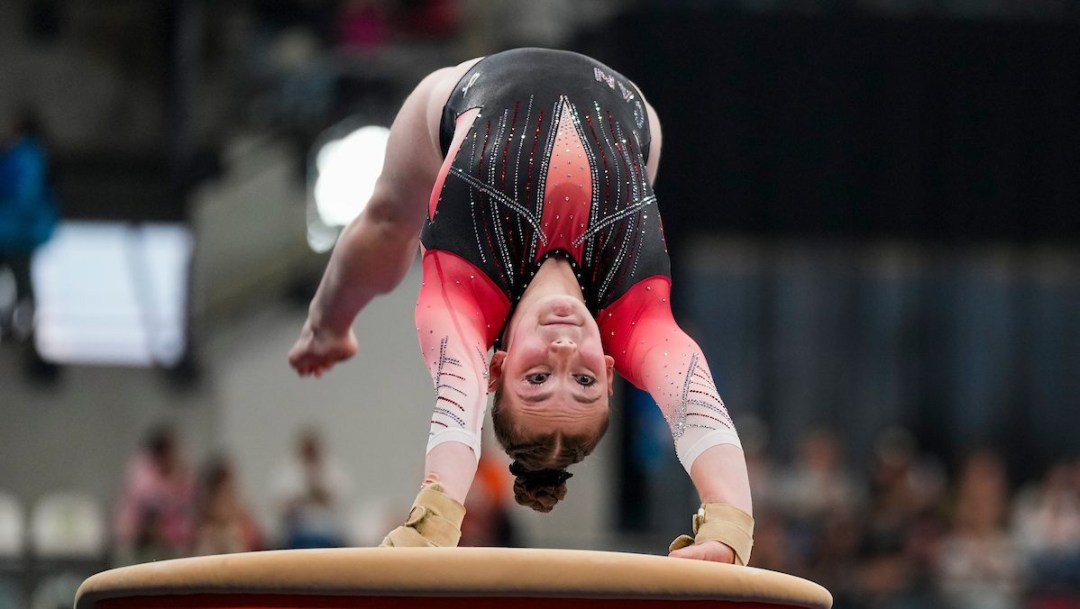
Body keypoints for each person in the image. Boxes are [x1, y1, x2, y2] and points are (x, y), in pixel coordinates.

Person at [288, 48, 753, 564]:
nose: (562, 350)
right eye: (583, 381)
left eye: (535, 379)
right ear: (608, 368)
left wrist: (434, 523)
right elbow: (696, 408)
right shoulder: (636, 315)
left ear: (496, 367)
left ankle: (325, 325)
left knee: (387, 220)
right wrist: (730, 527)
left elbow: (456, 406)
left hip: (458, 97)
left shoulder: (462, 300)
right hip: (633, 117)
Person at [0, 107, 58, 343]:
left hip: (12, 231)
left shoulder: (20, 156)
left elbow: (13, 190)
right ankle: (20, 326)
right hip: (25, 232)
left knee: (17, 281)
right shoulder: (40, 156)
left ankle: (12, 324)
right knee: (23, 283)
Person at [113, 424, 196, 565]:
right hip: (137, 542)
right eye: (171, 453)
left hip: (166, 542)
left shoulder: (181, 476)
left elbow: (185, 510)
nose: (175, 457)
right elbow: (147, 519)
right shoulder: (143, 476)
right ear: (160, 455)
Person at [270, 427, 353, 549]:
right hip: (296, 533)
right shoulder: (286, 472)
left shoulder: (333, 471)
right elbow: (278, 506)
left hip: (329, 533)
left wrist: (320, 494)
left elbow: (343, 503)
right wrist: (301, 499)